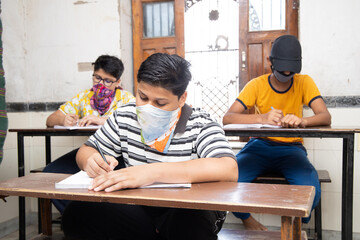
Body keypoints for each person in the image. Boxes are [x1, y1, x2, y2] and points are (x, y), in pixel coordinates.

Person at [61, 53, 238, 240]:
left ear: (182, 98)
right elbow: (86, 150)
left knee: (187, 220)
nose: (148, 108)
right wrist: (91, 161)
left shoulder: (200, 123)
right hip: (142, 207)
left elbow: (228, 168)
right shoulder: (125, 116)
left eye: (160, 103)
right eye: (143, 97)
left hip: (186, 208)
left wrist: (150, 173)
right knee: (78, 213)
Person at [223, 35, 331, 230]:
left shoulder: (304, 82)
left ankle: (292, 226)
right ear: (269, 62)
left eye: (291, 72)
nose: (287, 74)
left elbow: (325, 116)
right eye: (282, 71)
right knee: (229, 182)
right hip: (259, 146)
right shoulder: (256, 85)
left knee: (311, 190)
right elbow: (228, 118)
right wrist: (262, 118)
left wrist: (302, 121)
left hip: (292, 149)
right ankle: (248, 221)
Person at [44, 55, 134, 213]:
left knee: (109, 182)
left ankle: (102, 222)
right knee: (50, 175)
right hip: (89, 153)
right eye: (97, 78)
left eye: (107, 81)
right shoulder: (84, 97)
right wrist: (64, 119)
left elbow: (136, 121)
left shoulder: (126, 99)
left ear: (118, 82)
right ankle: (79, 218)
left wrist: (103, 120)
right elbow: (51, 119)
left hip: (118, 155)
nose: (101, 84)